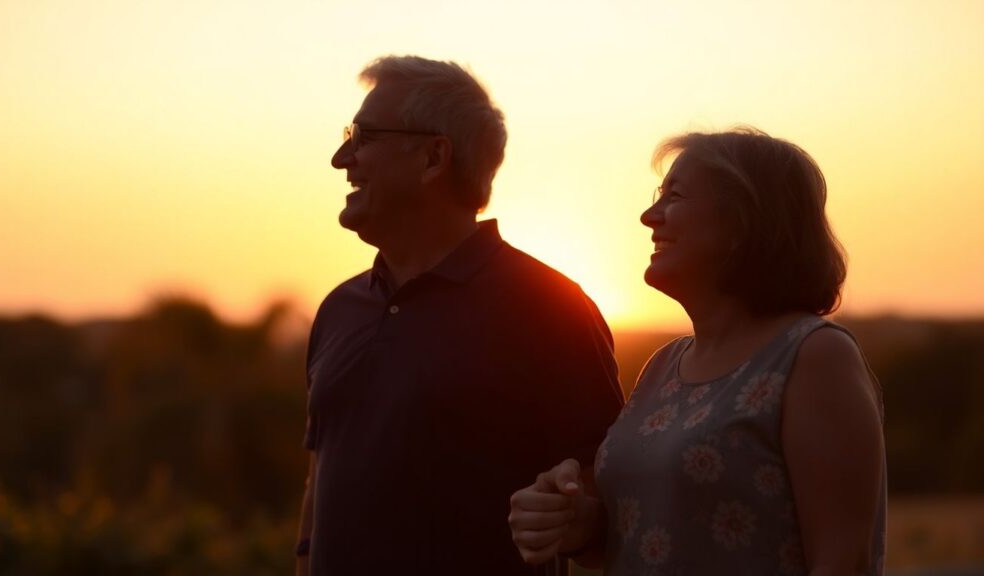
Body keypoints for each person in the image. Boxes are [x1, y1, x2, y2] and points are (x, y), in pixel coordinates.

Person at [295, 55, 625, 576]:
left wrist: (577, 514)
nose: (342, 158)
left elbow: (608, 490)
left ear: (433, 157)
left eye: (362, 136)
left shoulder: (550, 308)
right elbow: (323, 473)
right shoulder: (339, 309)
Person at [509, 127, 887, 574]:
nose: (650, 216)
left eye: (675, 197)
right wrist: (579, 523)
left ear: (743, 221)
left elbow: (844, 563)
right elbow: (650, 535)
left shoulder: (813, 356)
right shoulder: (664, 366)